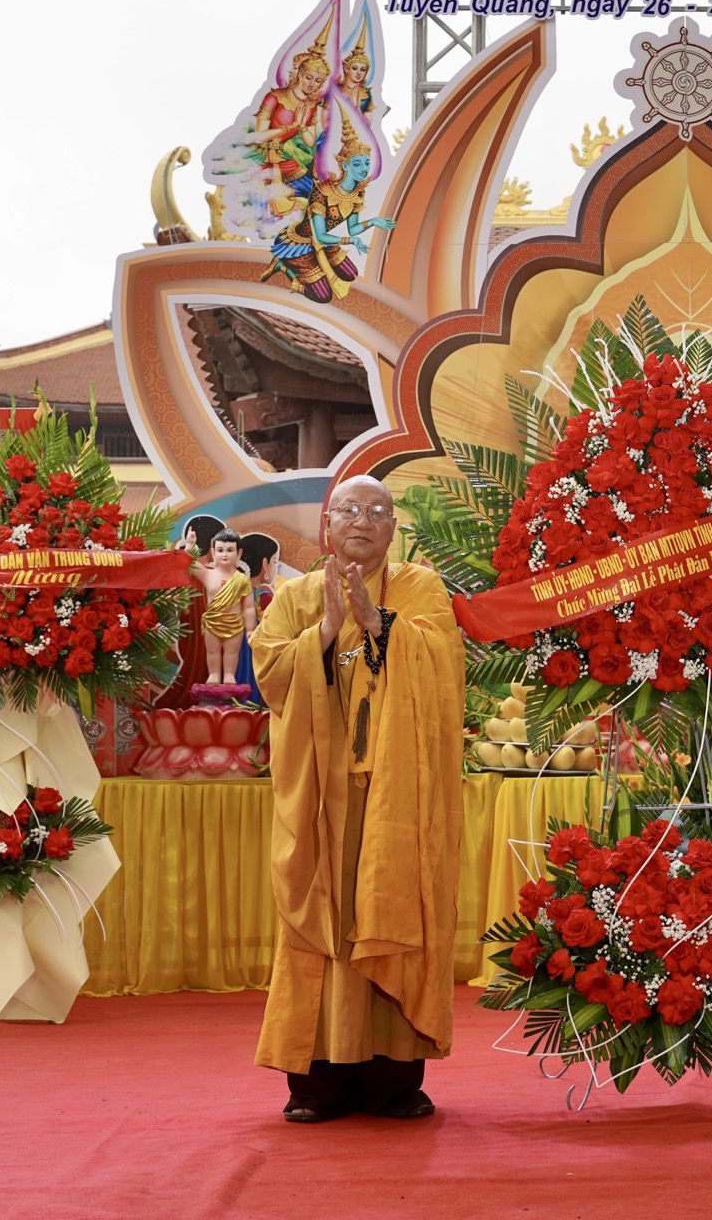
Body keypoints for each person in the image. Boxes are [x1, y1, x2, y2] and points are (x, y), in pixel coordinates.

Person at [251, 476, 466, 1122]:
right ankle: (316, 1085)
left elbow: (445, 666)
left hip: (395, 796)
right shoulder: (296, 596)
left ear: (393, 525)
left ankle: (390, 1082)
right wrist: (324, 630)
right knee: (321, 922)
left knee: (392, 905)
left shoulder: (420, 588)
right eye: (349, 510)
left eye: (377, 511)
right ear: (328, 525)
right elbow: (269, 674)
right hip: (321, 792)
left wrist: (379, 625)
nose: (363, 521)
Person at [195, 530, 255, 685]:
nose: (225, 555)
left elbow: (248, 607)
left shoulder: (242, 580)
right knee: (212, 651)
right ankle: (214, 674)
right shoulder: (208, 575)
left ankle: (229, 675)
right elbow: (190, 564)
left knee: (232, 651)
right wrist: (189, 545)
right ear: (213, 552)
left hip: (235, 623)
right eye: (220, 550)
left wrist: (250, 629)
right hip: (212, 622)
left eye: (230, 550)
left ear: (238, 553)